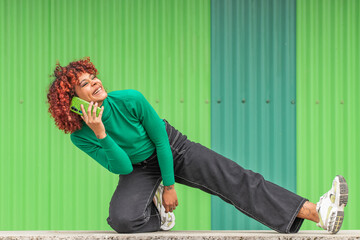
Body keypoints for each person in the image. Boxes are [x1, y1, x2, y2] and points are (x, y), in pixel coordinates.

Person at [47, 57, 348, 234]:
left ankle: (318, 212)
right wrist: (100, 132)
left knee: (236, 179)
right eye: (84, 84)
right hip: (137, 167)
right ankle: (157, 215)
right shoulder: (82, 136)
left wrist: (168, 185)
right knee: (122, 220)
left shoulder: (130, 99)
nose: (96, 82)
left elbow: (161, 140)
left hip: (172, 148)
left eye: (93, 76)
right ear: (70, 101)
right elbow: (123, 166)